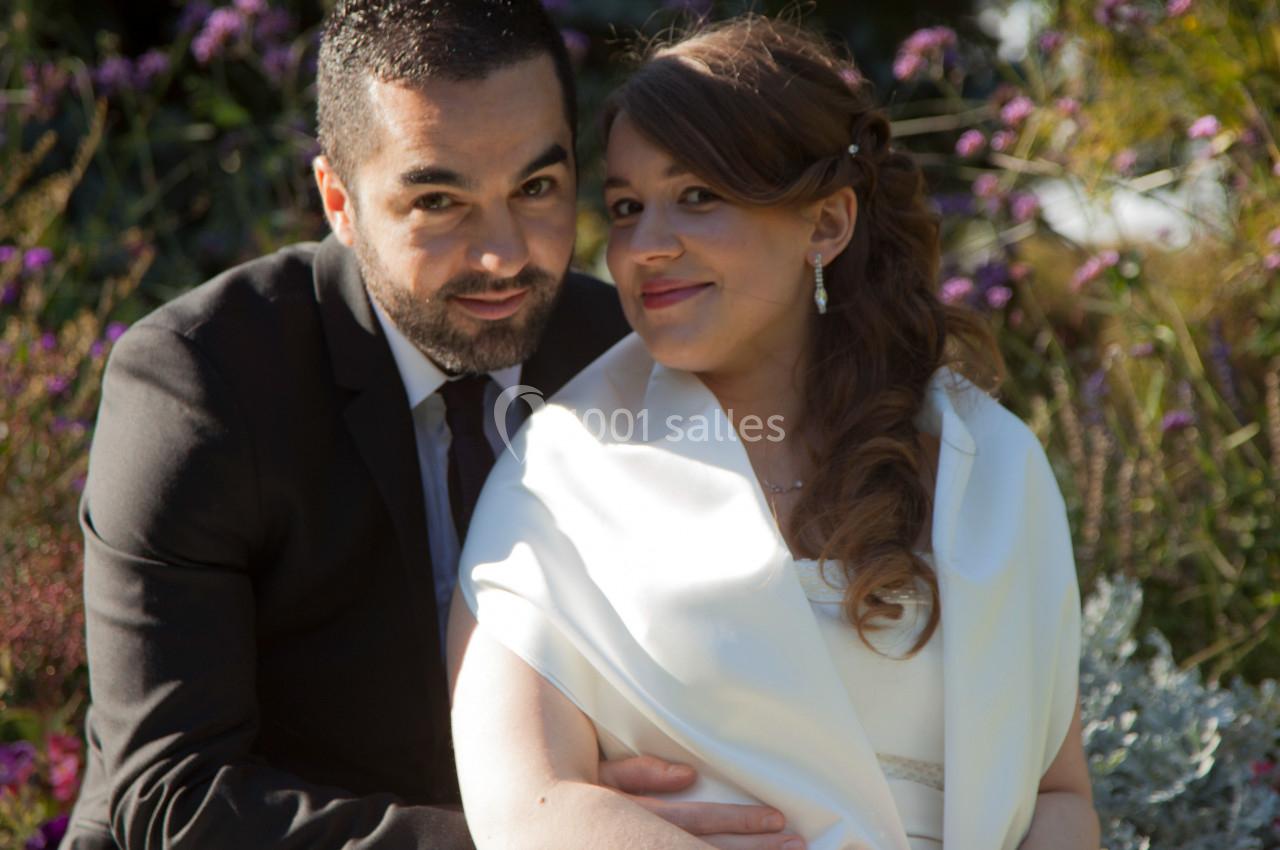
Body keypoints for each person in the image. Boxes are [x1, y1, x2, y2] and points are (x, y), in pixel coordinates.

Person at [64, 2, 807, 848]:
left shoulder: (626, 353)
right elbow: (171, 797)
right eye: (439, 201)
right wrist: (538, 832)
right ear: (339, 201)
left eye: (536, 188)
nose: (504, 255)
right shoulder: (200, 384)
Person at [449, 15, 1101, 850]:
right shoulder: (557, 475)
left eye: (697, 196)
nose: (646, 247)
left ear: (825, 224)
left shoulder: (992, 467)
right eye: (625, 208)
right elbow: (525, 808)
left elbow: (1058, 794)